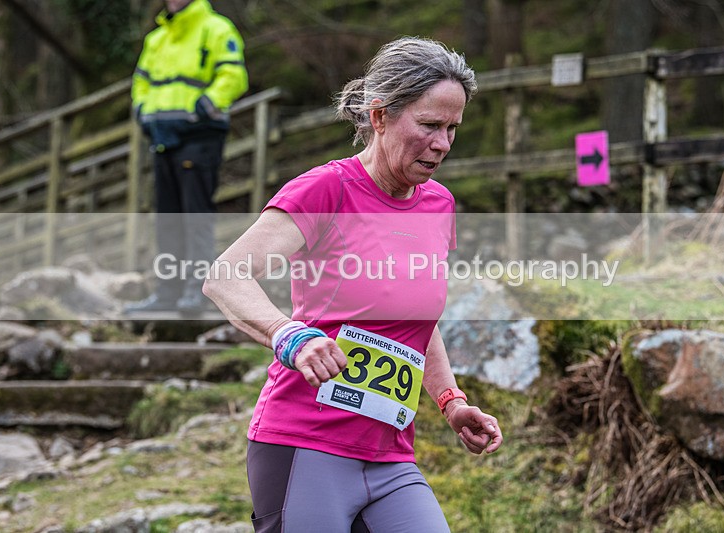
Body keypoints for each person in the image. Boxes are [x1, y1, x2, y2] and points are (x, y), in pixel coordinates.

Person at [203, 37, 503, 532]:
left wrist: (451, 401)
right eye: (429, 125)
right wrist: (289, 336)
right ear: (380, 116)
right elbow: (225, 277)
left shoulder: (438, 205)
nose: (443, 143)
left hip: (391, 458)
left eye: (452, 128)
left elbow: (417, 320)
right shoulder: (326, 190)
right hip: (304, 445)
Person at [125, 0, 248, 314]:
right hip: (162, 137)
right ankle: (167, 292)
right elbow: (141, 82)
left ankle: (198, 291)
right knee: (167, 217)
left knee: (195, 216)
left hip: (200, 137)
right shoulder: (157, 38)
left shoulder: (217, 29)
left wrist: (200, 110)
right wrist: (144, 113)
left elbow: (233, 78)